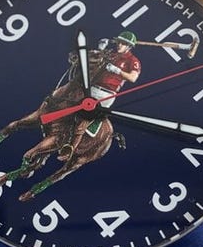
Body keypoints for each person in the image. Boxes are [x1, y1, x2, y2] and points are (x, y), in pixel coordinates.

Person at [58, 31, 141, 161]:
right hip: (92, 86)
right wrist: (100, 49)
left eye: (123, 43)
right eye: (119, 42)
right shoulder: (111, 54)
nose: (119, 45)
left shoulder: (133, 61)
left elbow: (133, 78)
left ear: (129, 46)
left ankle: (70, 148)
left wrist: (118, 71)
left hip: (106, 93)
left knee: (86, 116)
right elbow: (96, 61)